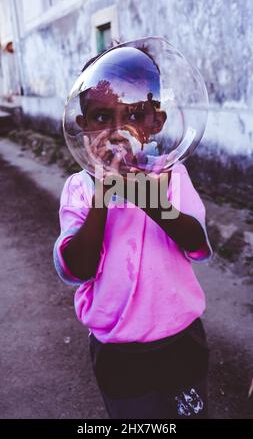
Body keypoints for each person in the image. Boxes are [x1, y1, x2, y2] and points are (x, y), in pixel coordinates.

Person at [53, 45, 212, 419]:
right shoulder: (80, 188)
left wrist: (142, 193)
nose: (117, 131)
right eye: (102, 116)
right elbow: (77, 268)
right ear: (83, 125)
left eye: (134, 115)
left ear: (156, 122)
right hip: (119, 350)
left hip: (180, 340)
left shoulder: (172, 177)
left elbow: (195, 241)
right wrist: (103, 196)